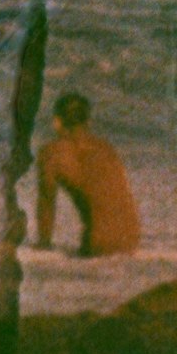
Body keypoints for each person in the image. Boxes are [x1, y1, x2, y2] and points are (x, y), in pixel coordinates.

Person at [30, 92, 141, 258]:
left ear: (57, 122)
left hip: (97, 243)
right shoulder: (105, 148)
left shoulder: (51, 153)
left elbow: (47, 201)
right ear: (88, 121)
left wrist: (43, 244)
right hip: (131, 240)